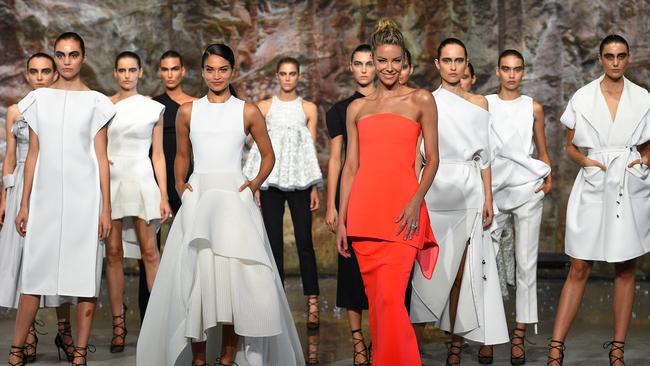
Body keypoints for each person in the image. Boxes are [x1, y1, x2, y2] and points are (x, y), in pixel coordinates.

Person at [137, 43, 304, 366]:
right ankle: (199, 359)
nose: (216, 75)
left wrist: (253, 184)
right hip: (199, 197)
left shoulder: (247, 110)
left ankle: (227, 357)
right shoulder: (188, 110)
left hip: (233, 198)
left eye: (223, 69)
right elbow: (182, 155)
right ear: (202, 72)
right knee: (197, 277)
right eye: (210, 69)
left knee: (233, 280)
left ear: (232, 71)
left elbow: (268, 155)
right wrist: (178, 184)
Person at [8, 32, 115, 366]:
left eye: (73, 54)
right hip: (45, 196)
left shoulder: (97, 102)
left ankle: (80, 353)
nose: (67, 61)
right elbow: (34, 155)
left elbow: (101, 158)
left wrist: (106, 209)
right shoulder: (38, 101)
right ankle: (15, 351)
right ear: (55, 58)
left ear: (83, 57)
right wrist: (24, 203)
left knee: (84, 274)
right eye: (61, 54)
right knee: (34, 273)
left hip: (86, 198)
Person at [336, 18, 439, 366]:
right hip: (364, 216)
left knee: (392, 301)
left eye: (395, 61)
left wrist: (415, 203)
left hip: (402, 214)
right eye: (382, 61)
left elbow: (433, 161)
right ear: (373, 62)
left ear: (405, 61)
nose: (388, 67)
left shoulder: (420, 99)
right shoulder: (356, 109)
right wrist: (342, 222)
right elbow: (351, 168)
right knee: (378, 305)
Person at [547, 34, 650, 366]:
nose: (616, 62)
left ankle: (617, 350)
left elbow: (648, 143)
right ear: (600, 58)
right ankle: (555, 348)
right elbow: (571, 145)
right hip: (595, 178)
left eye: (621, 56)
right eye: (609, 56)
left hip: (628, 180)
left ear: (629, 57)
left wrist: (645, 161)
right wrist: (585, 162)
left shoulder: (644, 98)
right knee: (579, 264)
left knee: (625, 265)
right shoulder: (583, 96)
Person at [409, 38, 509, 366]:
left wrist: (489, 196)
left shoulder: (480, 104)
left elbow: (485, 156)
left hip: (469, 191)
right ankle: (410, 348)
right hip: (434, 191)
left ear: (466, 64)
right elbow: (416, 156)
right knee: (428, 271)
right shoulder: (424, 101)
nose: (454, 66)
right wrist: (415, 196)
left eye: (459, 60)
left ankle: (455, 346)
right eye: (447, 60)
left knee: (463, 272)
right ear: (437, 63)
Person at [0, 53, 76, 363]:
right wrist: (5, 197)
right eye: (34, 71)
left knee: (56, 257)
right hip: (21, 186)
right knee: (22, 261)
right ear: (27, 75)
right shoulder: (16, 110)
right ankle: (28, 333)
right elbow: (9, 155)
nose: (40, 76)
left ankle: (64, 329)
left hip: (54, 186)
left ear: (54, 72)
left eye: (46, 70)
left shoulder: (62, 107)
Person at [482, 49, 552, 365]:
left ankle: (519, 335)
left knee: (526, 264)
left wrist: (547, 175)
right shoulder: (485, 104)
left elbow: (541, 147)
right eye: (506, 69)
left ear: (524, 72)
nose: (512, 74)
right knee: (487, 263)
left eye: (517, 69)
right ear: (497, 71)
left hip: (526, 188)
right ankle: (487, 333)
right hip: (493, 190)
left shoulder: (533, 107)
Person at [243, 56, 323, 328]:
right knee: (272, 241)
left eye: (292, 74)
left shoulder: (309, 108)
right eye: (283, 74)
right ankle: (273, 302)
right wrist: (255, 183)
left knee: (304, 242)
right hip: (270, 181)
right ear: (276, 76)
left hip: (299, 180)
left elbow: (309, 150)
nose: (288, 78)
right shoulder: (264, 107)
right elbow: (254, 146)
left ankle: (313, 303)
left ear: (298, 76)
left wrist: (313, 185)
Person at [104, 51, 171, 353]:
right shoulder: (102, 106)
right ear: (115, 73)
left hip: (143, 179)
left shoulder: (153, 108)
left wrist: (165, 195)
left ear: (141, 72)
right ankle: (119, 324)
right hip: (113, 178)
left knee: (150, 253)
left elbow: (158, 155)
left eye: (132, 69)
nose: (127, 75)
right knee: (114, 253)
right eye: (122, 70)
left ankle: (157, 324)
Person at [325, 43, 376, 366]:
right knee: (351, 267)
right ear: (351, 67)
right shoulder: (339, 110)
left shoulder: (391, 103)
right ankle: (358, 342)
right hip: (353, 194)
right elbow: (336, 160)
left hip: (383, 191)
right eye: (358, 63)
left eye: (369, 63)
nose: (364, 69)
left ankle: (381, 338)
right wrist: (332, 205)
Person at [139, 50, 197, 322]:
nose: (170, 74)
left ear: (183, 71)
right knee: (151, 247)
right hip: (157, 177)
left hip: (188, 178)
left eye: (175, 68)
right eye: (165, 69)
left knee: (192, 242)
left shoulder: (196, 104)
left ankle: (191, 309)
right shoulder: (152, 105)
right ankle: (150, 313)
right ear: (160, 72)